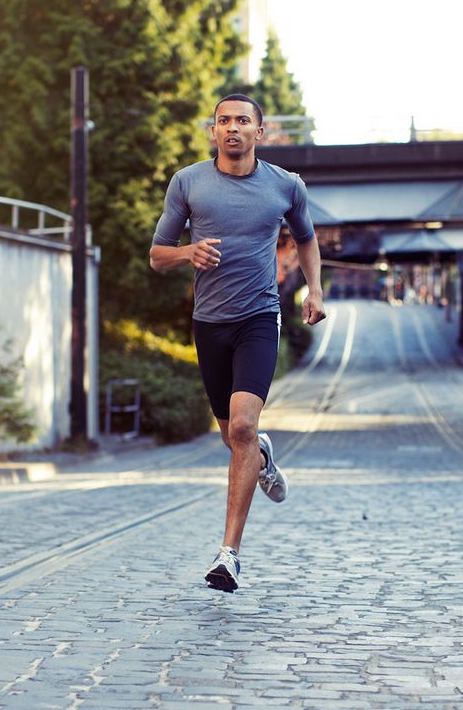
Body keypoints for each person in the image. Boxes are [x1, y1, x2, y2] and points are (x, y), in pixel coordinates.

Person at [150, 93, 326, 593]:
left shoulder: (286, 186)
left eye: (242, 121)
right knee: (234, 439)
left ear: (259, 131)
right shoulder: (188, 183)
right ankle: (264, 457)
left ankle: (229, 555)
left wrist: (314, 289)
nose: (232, 128)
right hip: (210, 324)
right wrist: (188, 251)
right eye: (223, 121)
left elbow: (307, 237)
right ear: (213, 131)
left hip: (258, 318)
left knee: (244, 427)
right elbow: (157, 256)